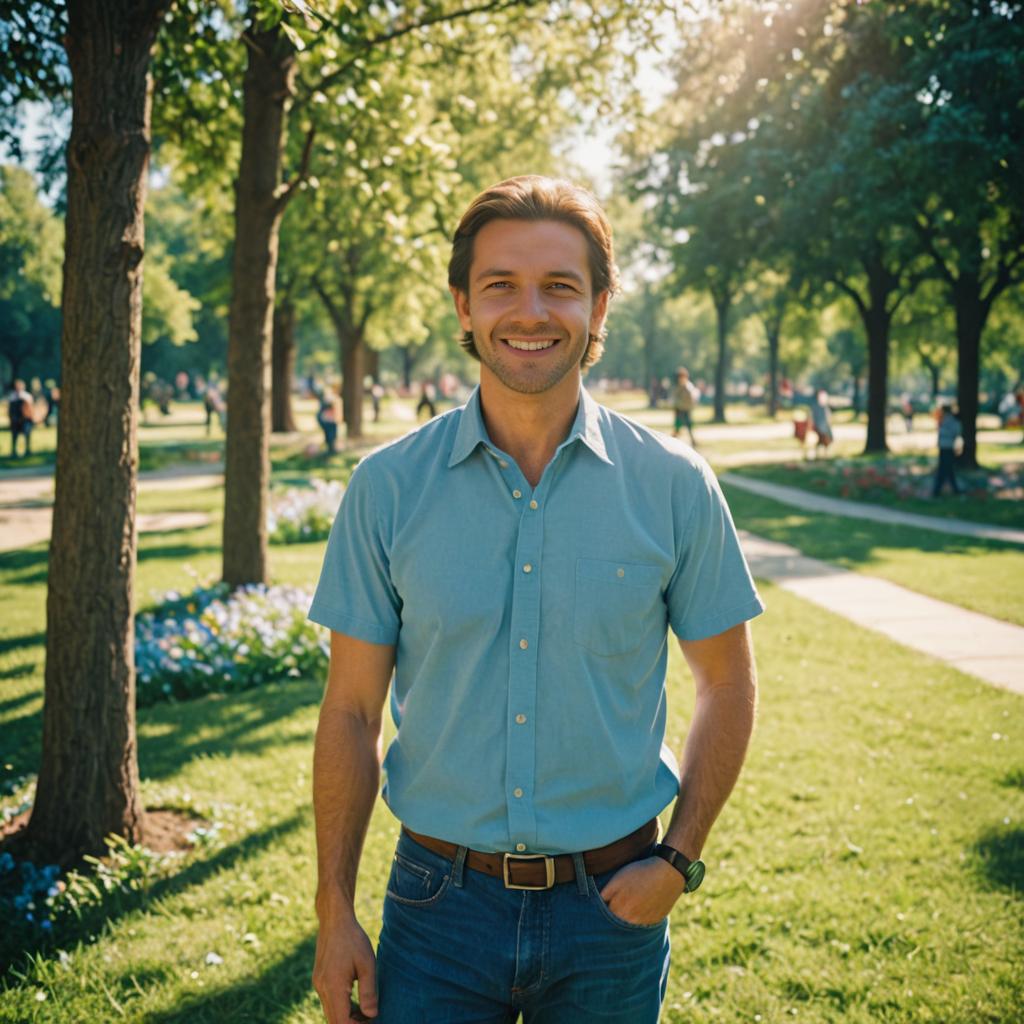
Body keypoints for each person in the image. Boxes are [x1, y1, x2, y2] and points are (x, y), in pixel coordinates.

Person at [308, 176, 764, 1024]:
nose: (530, 311)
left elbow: (728, 685)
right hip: (436, 908)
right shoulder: (387, 488)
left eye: (560, 285)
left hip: (613, 912)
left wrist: (681, 858)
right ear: (463, 306)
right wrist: (335, 909)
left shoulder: (673, 485)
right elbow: (349, 711)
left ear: (598, 306)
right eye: (500, 286)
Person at [932, 402, 963, 497]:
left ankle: (937, 490)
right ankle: (953, 489)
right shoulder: (945, 420)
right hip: (946, 446)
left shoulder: (949, 421)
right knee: (947, 469)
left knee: (945, 469)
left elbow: (955, 432)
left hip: (947, 447)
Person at [670, 366, 700, 445]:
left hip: (686, 408)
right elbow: (674, 397)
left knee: (689, 425)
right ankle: (672, 440)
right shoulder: (678, 387)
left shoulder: (688, 386)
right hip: (679, 409)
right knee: (678, 426)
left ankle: (692, 441)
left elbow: (693, 396)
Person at [7, 379, 35, 457]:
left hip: (25, 420)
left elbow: (30, 409)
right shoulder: (12, 396)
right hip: (15, 420)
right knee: (14, 436)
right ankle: (13, 451)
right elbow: (10, 409)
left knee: (27, 435)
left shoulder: (27, 396)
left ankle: (28, 450)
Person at [810, 389, 833, 458]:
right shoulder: (816, 407)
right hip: (820, 426)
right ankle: (820, 453)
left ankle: (824, 453)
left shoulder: (823, 406)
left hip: (824, 426)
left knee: (824, 440)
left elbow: (827, 416)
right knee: (821, 440)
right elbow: (814, 418)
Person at [317, 388, 340, 454]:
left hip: (330, 420)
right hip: (328, 420)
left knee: (331, 435)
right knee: (329, 435)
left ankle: (331, 448)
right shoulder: (326, 401)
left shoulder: (329, 399)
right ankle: (331, 448)